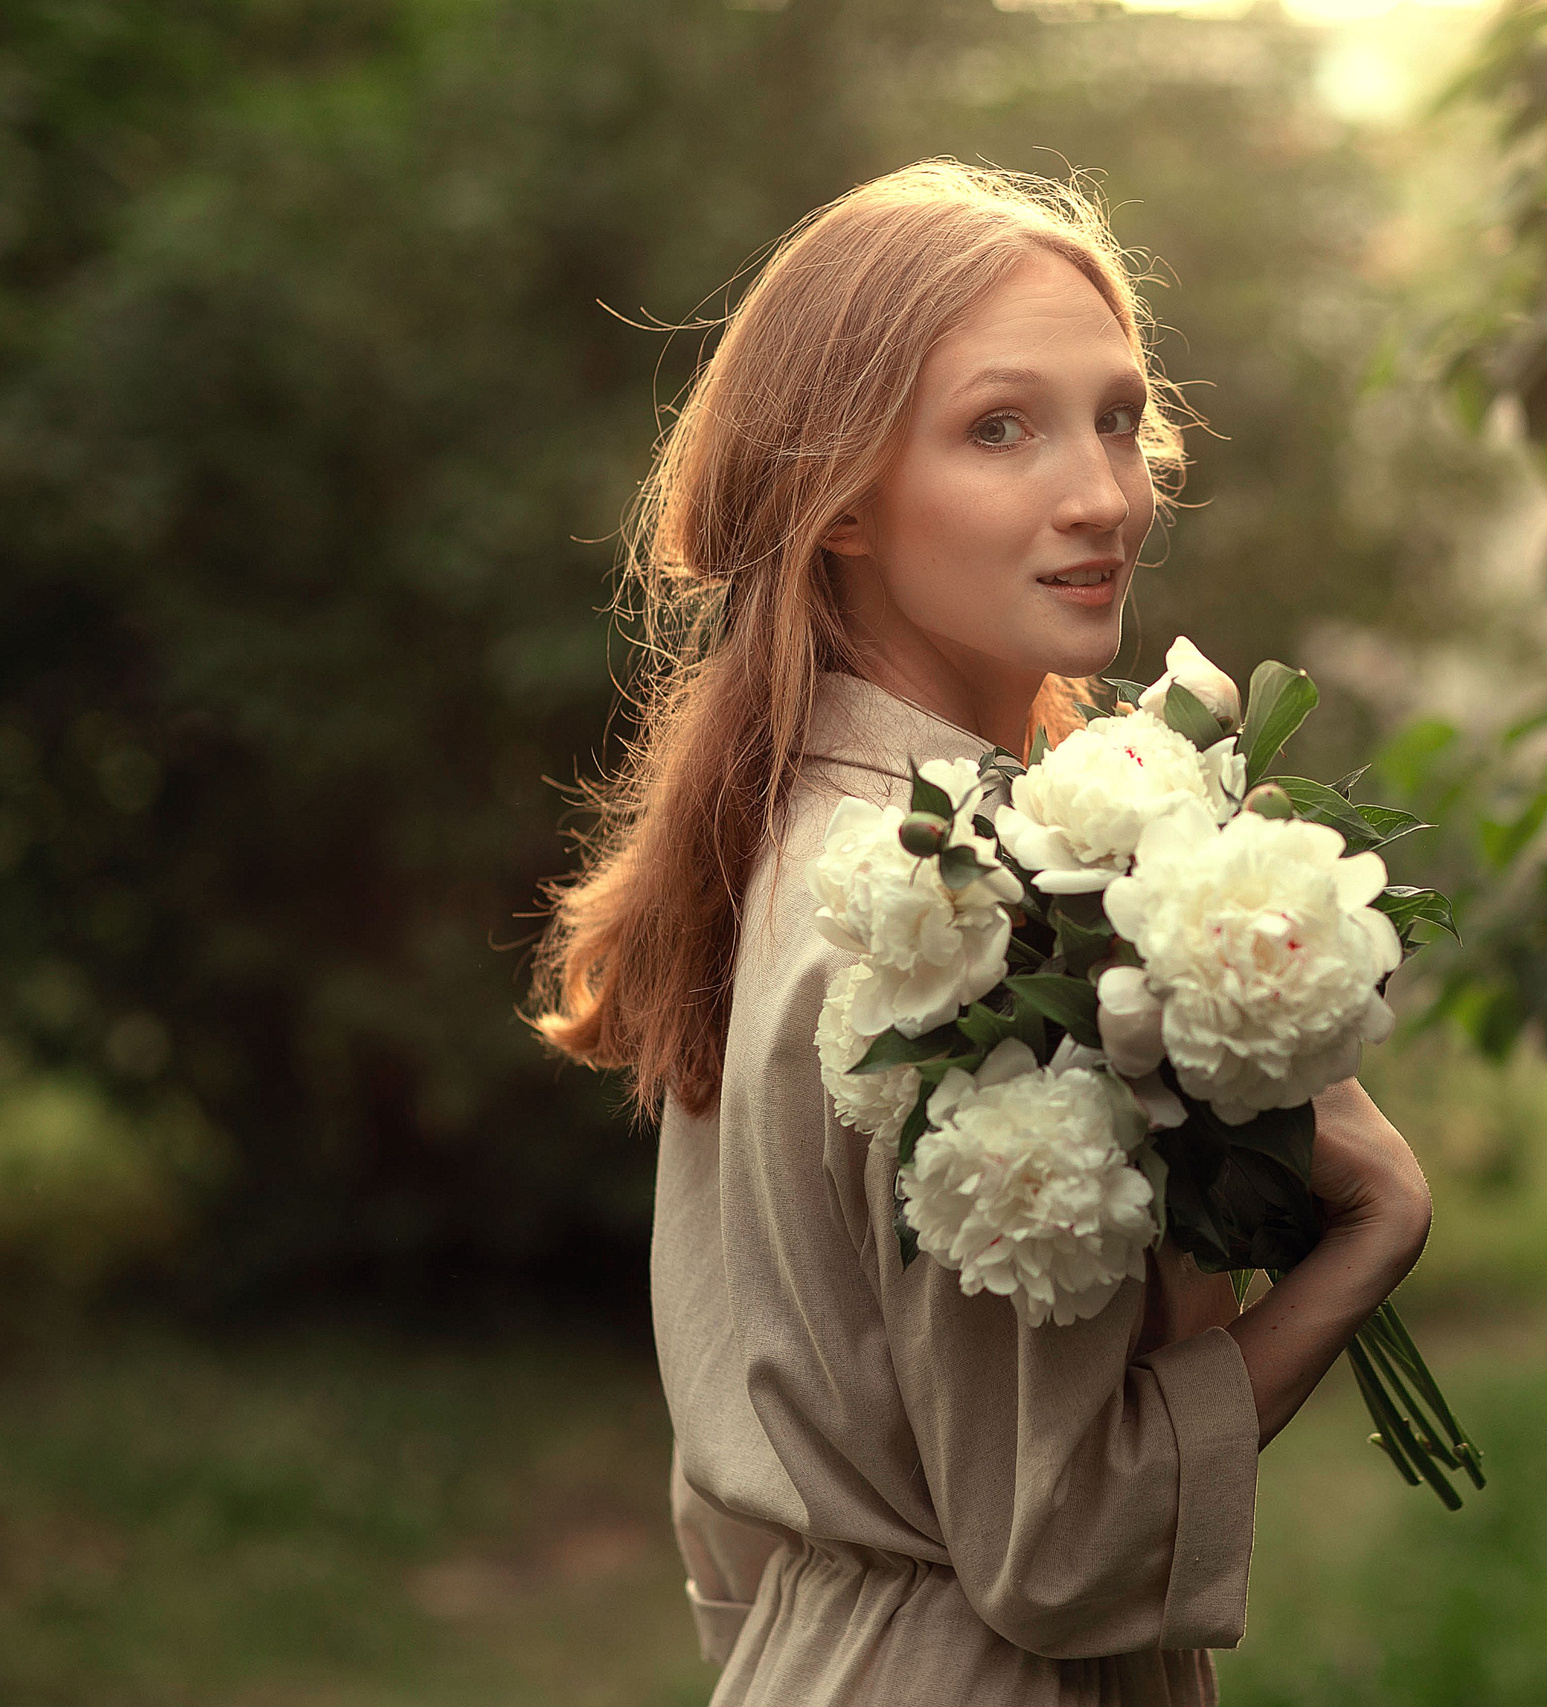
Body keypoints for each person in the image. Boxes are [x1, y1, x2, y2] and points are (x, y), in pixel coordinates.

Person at [524, 161, 1433, 1706]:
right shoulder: (959, 916)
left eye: (1118, 417)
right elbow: (1061, 1550)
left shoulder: (792, 840)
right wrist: (1373, 1235)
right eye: (999, 427)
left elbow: (726, 1505)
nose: (1103, 494)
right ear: (843, 500)